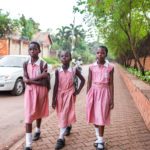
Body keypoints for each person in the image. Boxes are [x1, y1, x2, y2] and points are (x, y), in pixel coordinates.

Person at [52, 50, 85, 150]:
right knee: (62, 113)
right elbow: (56, 85)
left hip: (70, 94)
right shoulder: (58, 71)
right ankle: (68, 125)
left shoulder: (74, 70)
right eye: (62, 56)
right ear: (60, 58)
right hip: (60, 95)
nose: (64, 58)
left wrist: (78, 90)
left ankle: (60, 138)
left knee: (65, 113)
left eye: (66, 56)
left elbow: (83, 80)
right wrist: (53, 99)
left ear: (70, 58)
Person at [86, 46, 114, 150]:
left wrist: (112, 99)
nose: (99, 55)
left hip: (104, 92)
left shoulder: (110, 67)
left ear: (106, 54)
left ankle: (101, 141)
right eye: (97, 53)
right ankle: (98, 137)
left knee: (101, 116)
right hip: (93, 92)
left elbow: (111, 84)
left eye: (102, 53)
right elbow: (89, 81)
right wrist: (88, 95)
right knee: (94, 115)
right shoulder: (91, 67)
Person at [23, 41, 50, 150]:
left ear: (39, 50)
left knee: (38, 113)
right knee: (28, 117)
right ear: (28, 51)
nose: (32, 51)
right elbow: (25, 78)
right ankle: (28, 144)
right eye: (30, 49)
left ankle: (38, 130)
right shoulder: (25, 63)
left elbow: (45, 82)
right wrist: (36, 79)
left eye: (35, 49)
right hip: (29, 92)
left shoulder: (43, 64)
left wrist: (31, 80)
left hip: (41, 92)